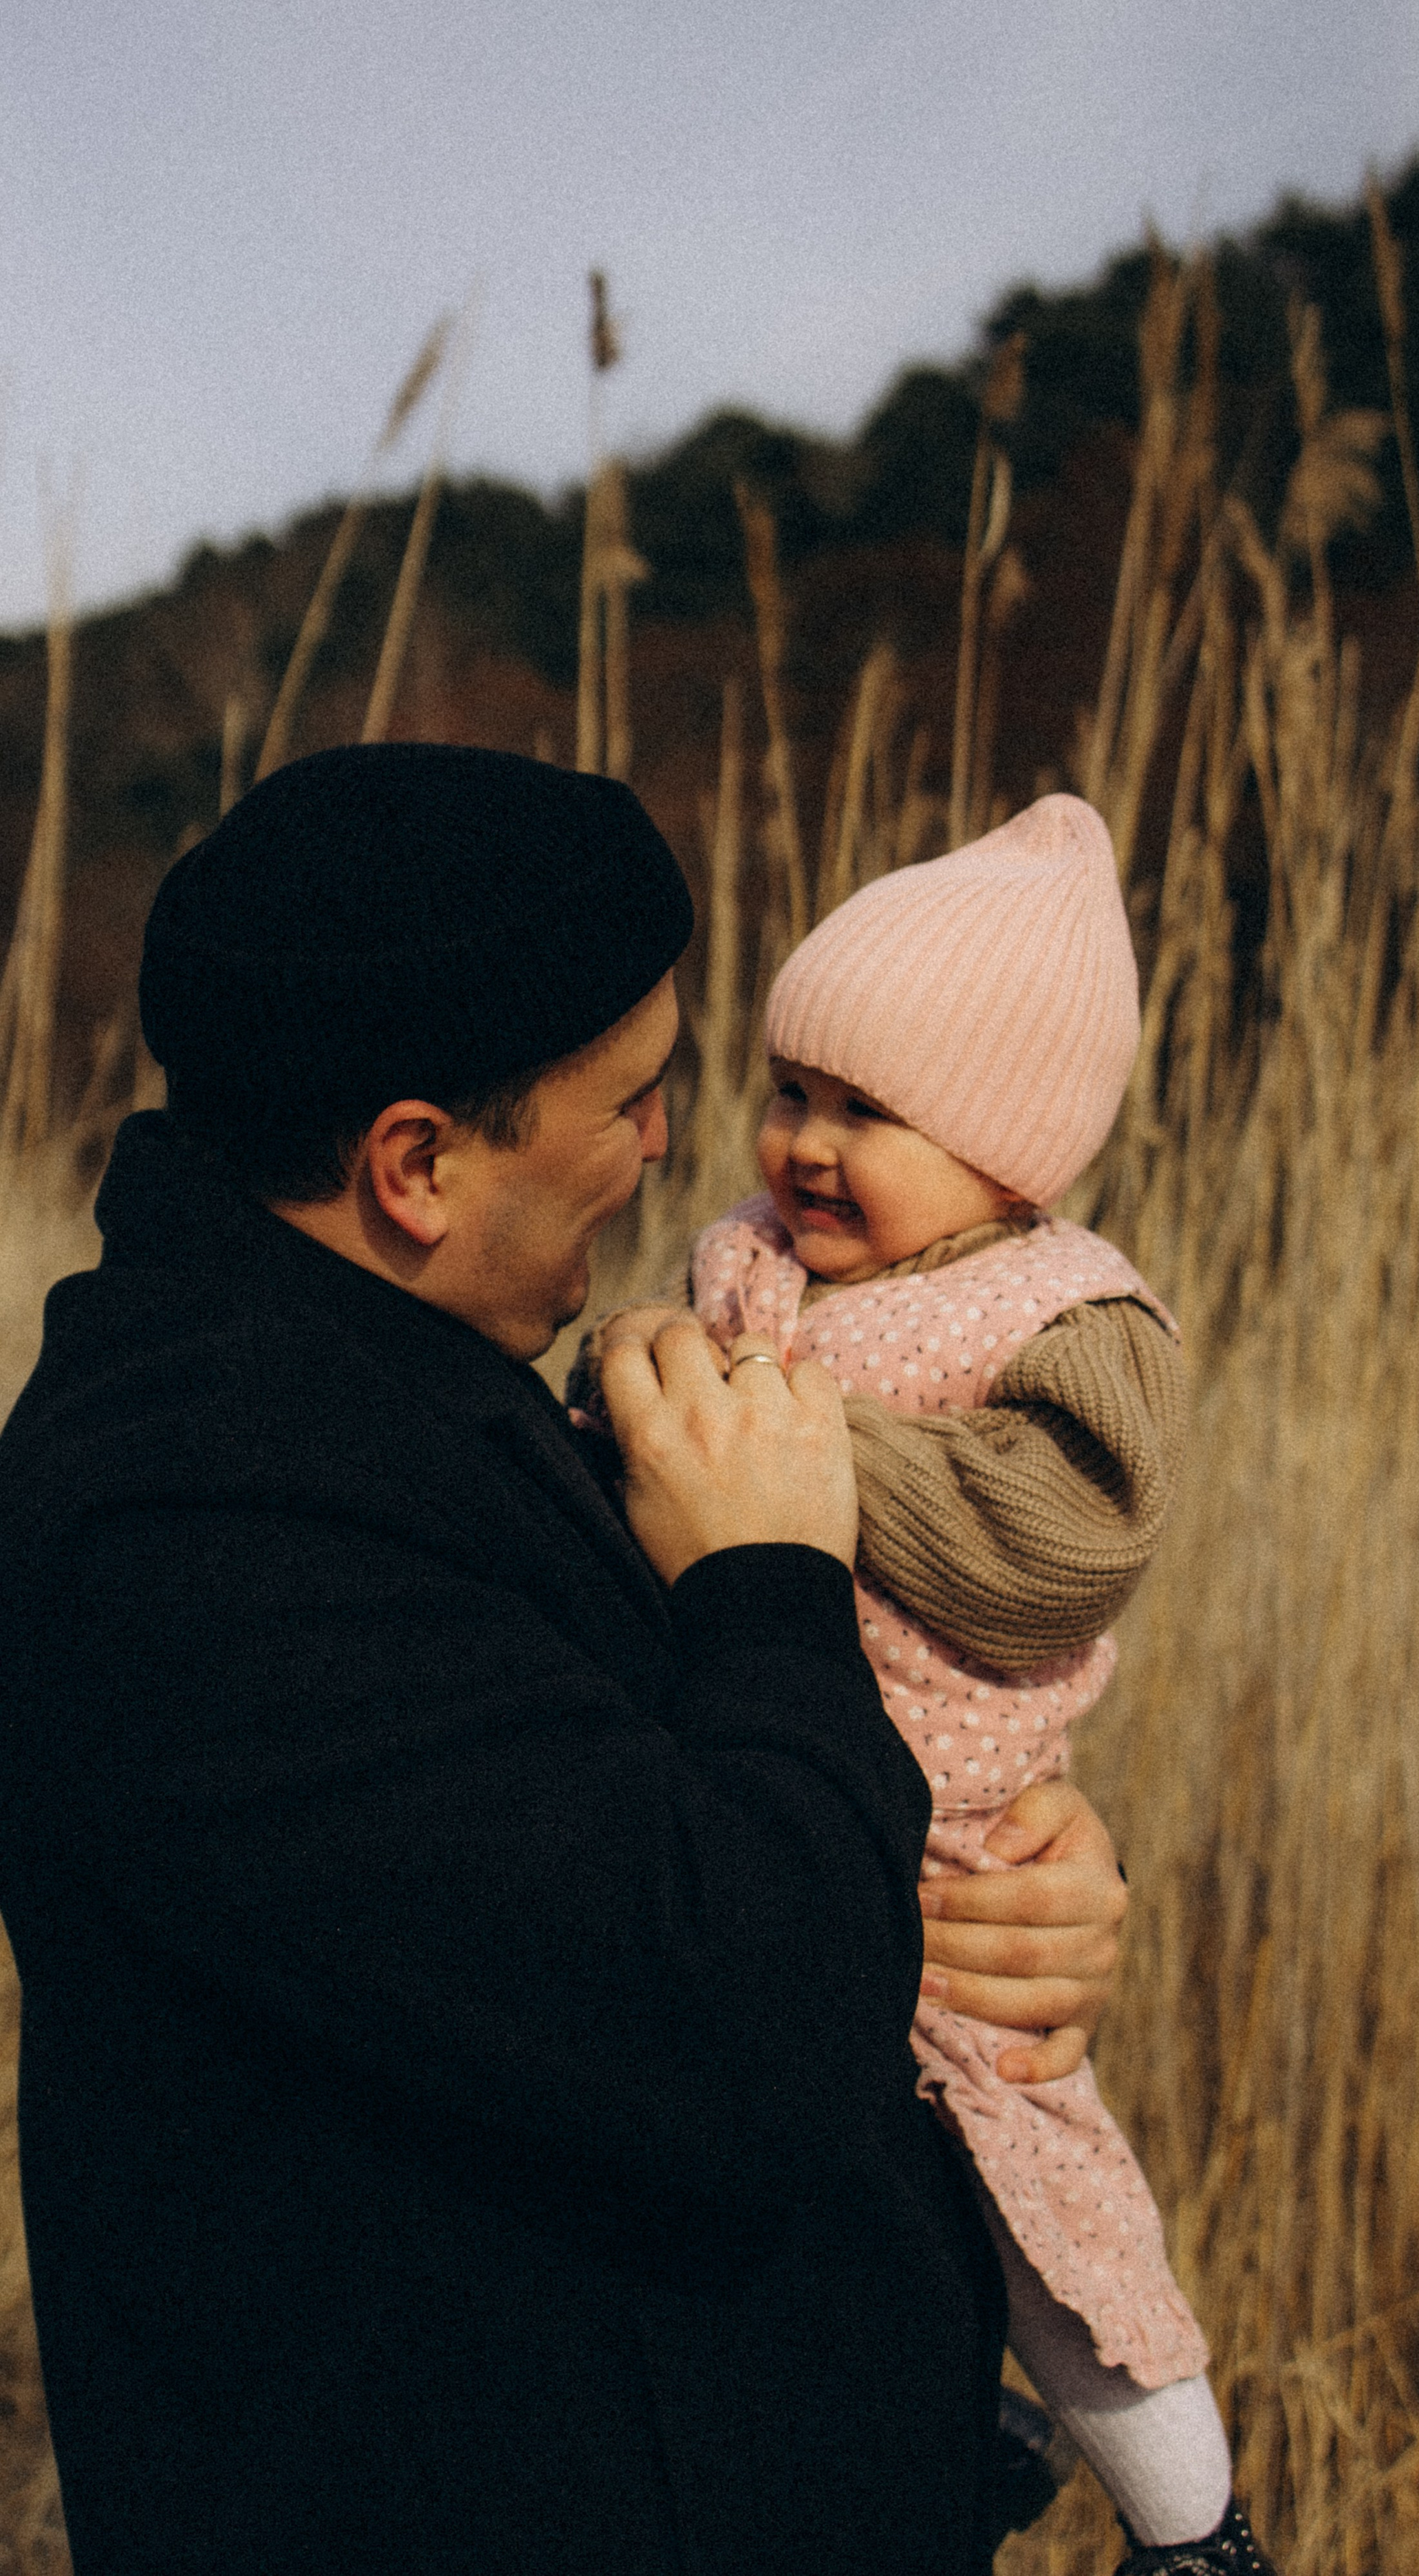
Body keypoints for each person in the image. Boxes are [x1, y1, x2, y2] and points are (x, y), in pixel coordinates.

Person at [0, 745, 1132, 2576]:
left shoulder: (373, 1399)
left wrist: (1000, 1868)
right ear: (417, 1163)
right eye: (630, 1099)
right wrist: (769, 1578)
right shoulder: (194, 1532)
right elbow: (744, 2022)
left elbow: (652, 1816)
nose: (673, 1147)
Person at [575, 798, 1275, 2575]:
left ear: (1008, 1154)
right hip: (760, 1772)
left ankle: (1191, 2521)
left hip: (956, 1829)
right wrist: (635, 1373)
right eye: (791, 1090)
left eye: (868, 1114)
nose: (806, 1146)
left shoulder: (1068, 1320)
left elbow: (1055, 1547)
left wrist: (784, 1440)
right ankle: (949, 2410)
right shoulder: (749, 1258)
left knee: (1044, 2188)